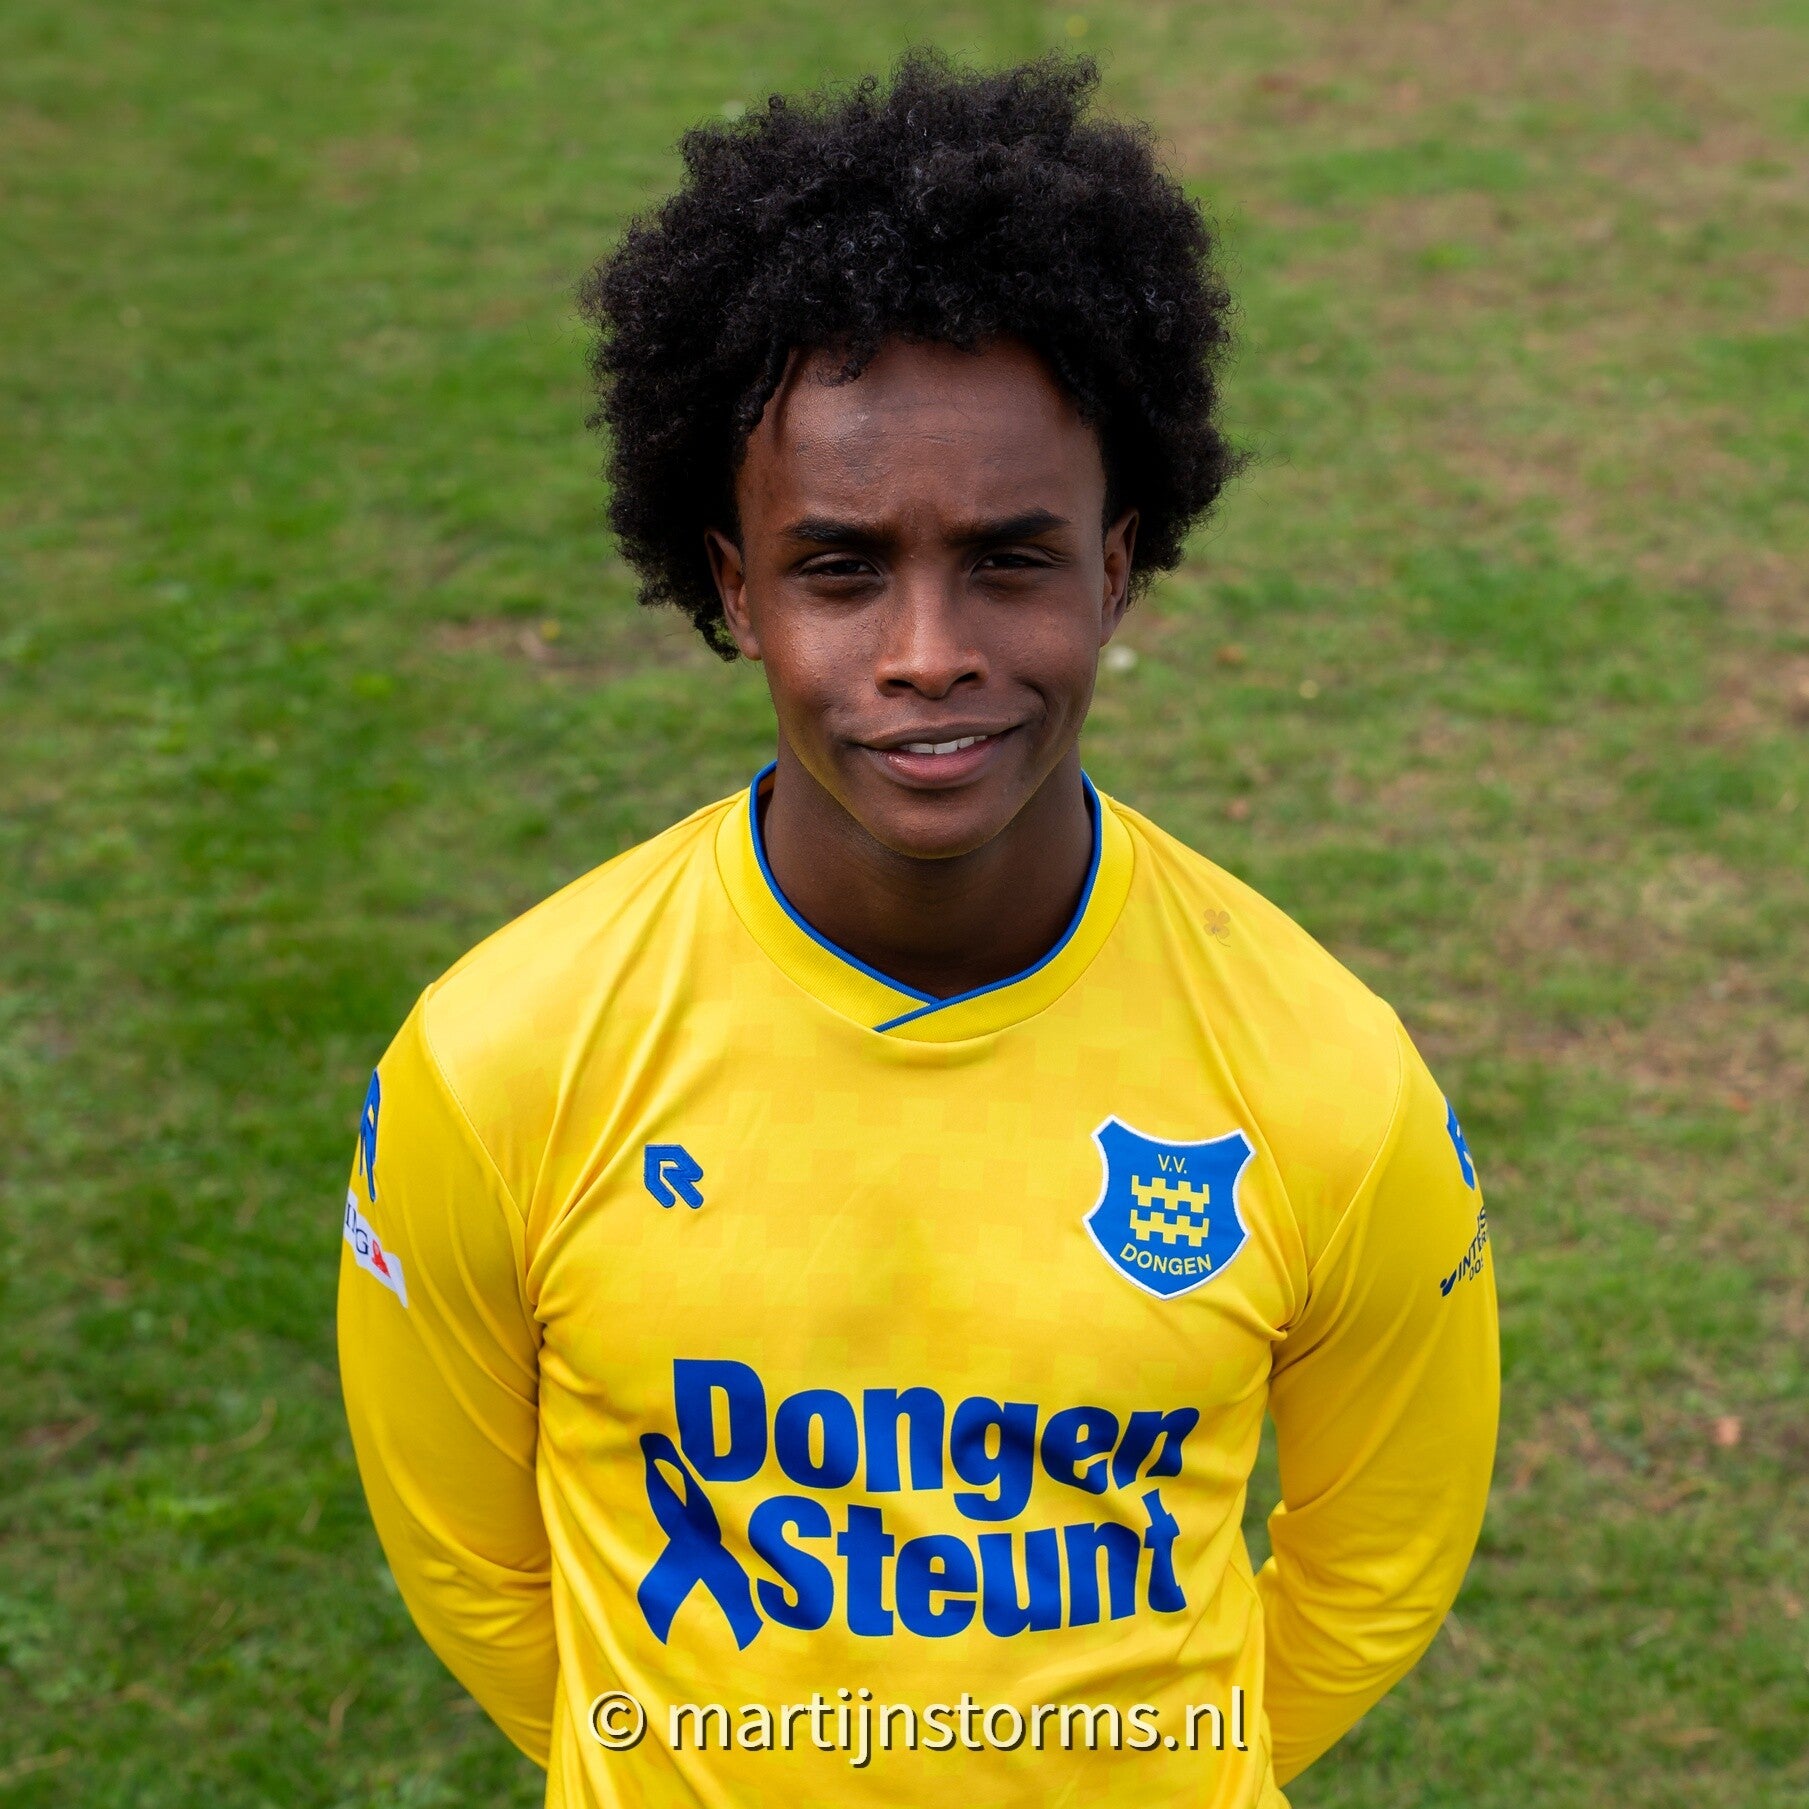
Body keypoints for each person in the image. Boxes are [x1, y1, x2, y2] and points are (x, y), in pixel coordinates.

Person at [337, 52, 1498, 1809]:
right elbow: (472, 1565)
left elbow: (1379, 1557)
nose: (927, 652)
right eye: (841, 567)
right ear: (733, 586)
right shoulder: (501, 1057)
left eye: (1011, 560)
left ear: (1115, 567)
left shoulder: (1326, 1078)